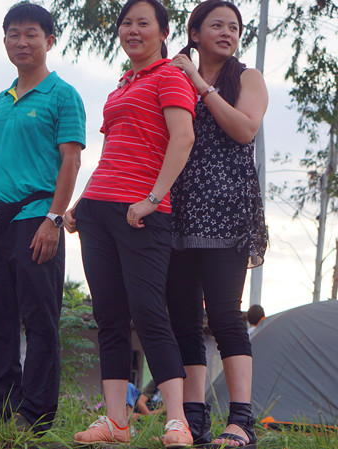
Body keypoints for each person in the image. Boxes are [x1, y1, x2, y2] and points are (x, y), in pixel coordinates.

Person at [0, 3, 85, 435]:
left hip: (36, 219)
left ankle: (35, 415)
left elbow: (71, 162)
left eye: (31, 34)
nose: (21, 42)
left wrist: (54, 220)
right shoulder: (0, 101)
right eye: (13, 34)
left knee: (39, 320)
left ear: (49, 41)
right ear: (4, 40)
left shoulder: (63, 95)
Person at [64, 0, 197, 446]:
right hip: (98, 210)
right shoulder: (121, 86)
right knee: (109, 316)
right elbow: (112, 153)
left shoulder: (171, 77)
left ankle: (177, 420)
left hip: (142, 212)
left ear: (164, 32)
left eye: (143, 23)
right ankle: (116, 422)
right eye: (126, 23)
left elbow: (183, 139)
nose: (133, 30)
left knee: (148, 311)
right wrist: (81, 202)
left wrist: (152, 199)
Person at [167, 2, 268, 444]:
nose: (228, 33)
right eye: (218, 25)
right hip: (177, 211)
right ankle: (193, 419)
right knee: (184, 319)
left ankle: (241, 420)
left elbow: (245, 129)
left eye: (235, 27)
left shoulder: (246, 78)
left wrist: (199, 82)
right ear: (195, 32)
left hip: (228, 213)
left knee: (225, 315)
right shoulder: (171, 73)